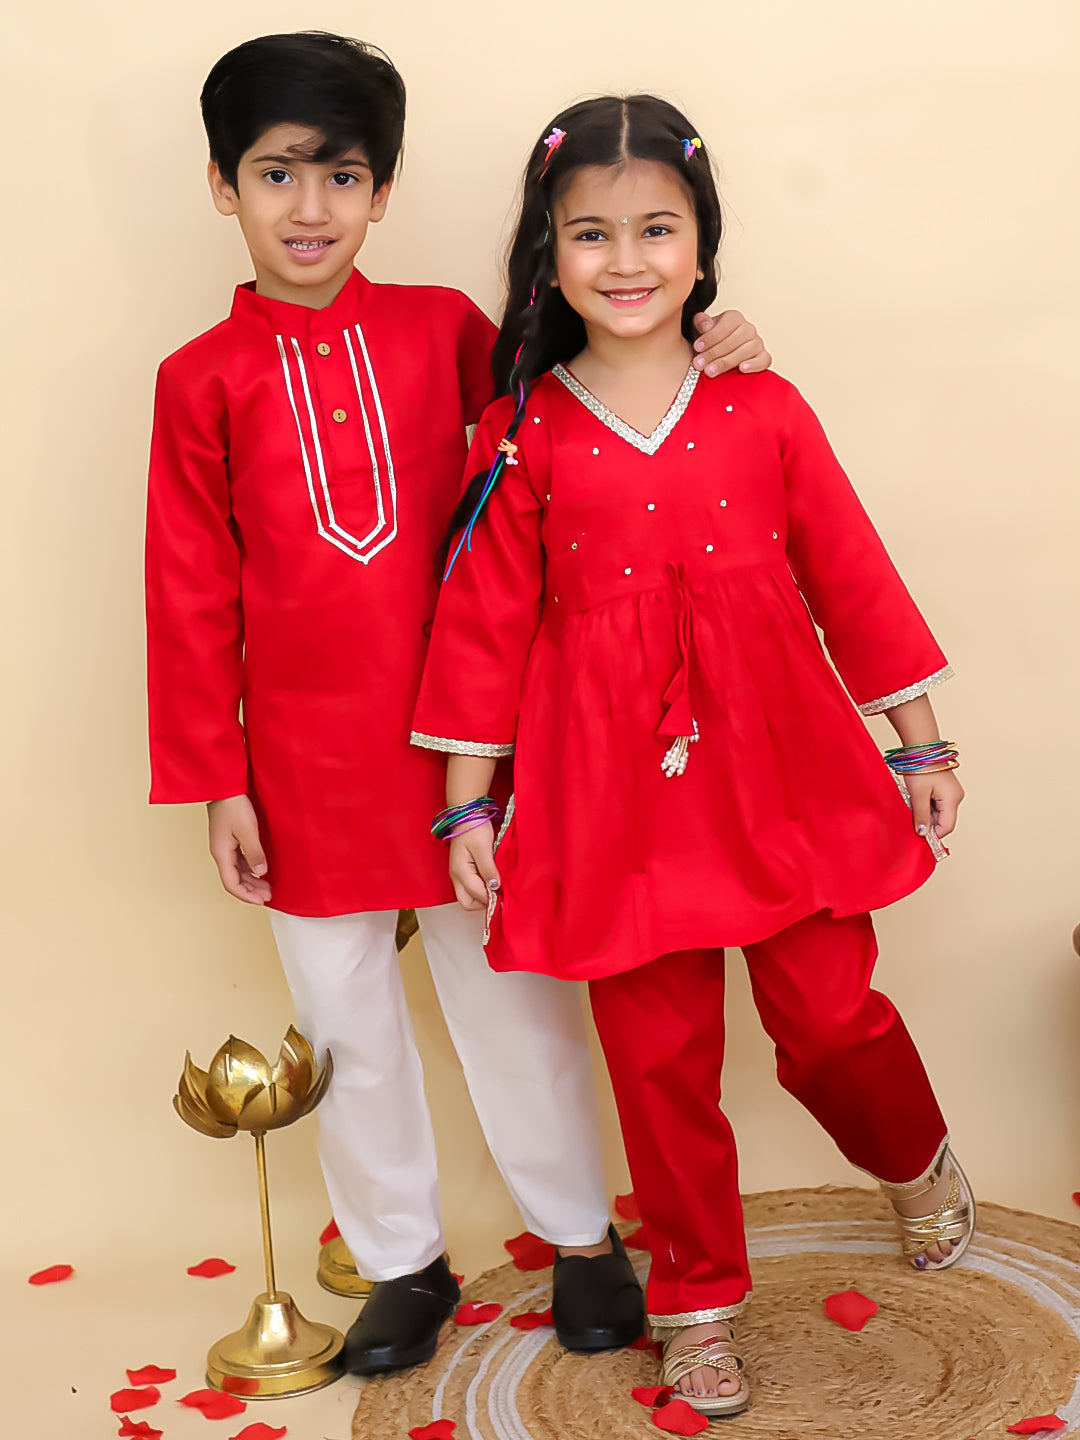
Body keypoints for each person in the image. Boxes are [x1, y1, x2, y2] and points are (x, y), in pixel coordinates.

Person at [145, 35, 773, 1377]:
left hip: (479, 758)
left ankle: (582, 1240)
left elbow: (584, 417)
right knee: (348, 1027)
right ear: (221, 183)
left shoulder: (443, 332)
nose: (310, 208)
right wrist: (218, 780)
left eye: (343, 177)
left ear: (383, 191)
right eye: (276, 174)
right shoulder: (199, 381)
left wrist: (714, 344)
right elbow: (189, 591)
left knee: (518, 1007)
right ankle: (401, 1264)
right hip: (303, 769)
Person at [412, 95, 973, 1417]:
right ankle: (699, 1304)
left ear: (702, 245)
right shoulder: (521, 433)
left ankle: (913, 1154)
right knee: (659, 1064)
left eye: (656, 229)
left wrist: (919, 739)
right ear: (548, 254)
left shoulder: (761, 403)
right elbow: (484, 624)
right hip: (613, 794)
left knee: (828, 1016)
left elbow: (848, 567)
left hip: (782, 765)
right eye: (590, 234)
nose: (626, 260)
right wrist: (465, 808)